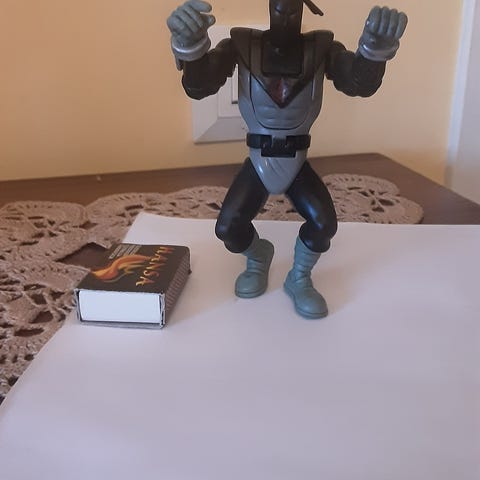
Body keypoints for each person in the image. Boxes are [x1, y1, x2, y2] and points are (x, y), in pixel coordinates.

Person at [167, 0, 407, 318]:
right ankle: (258, 256)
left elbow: (357, 83)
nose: (286, 11)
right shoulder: (241, 43)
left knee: (323, 223)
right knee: (228, 227)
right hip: (259, 157)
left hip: (296, 157)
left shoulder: (321, 47)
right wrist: (190, 45)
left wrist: (374, 51)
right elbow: (200, 85)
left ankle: (299, 277)